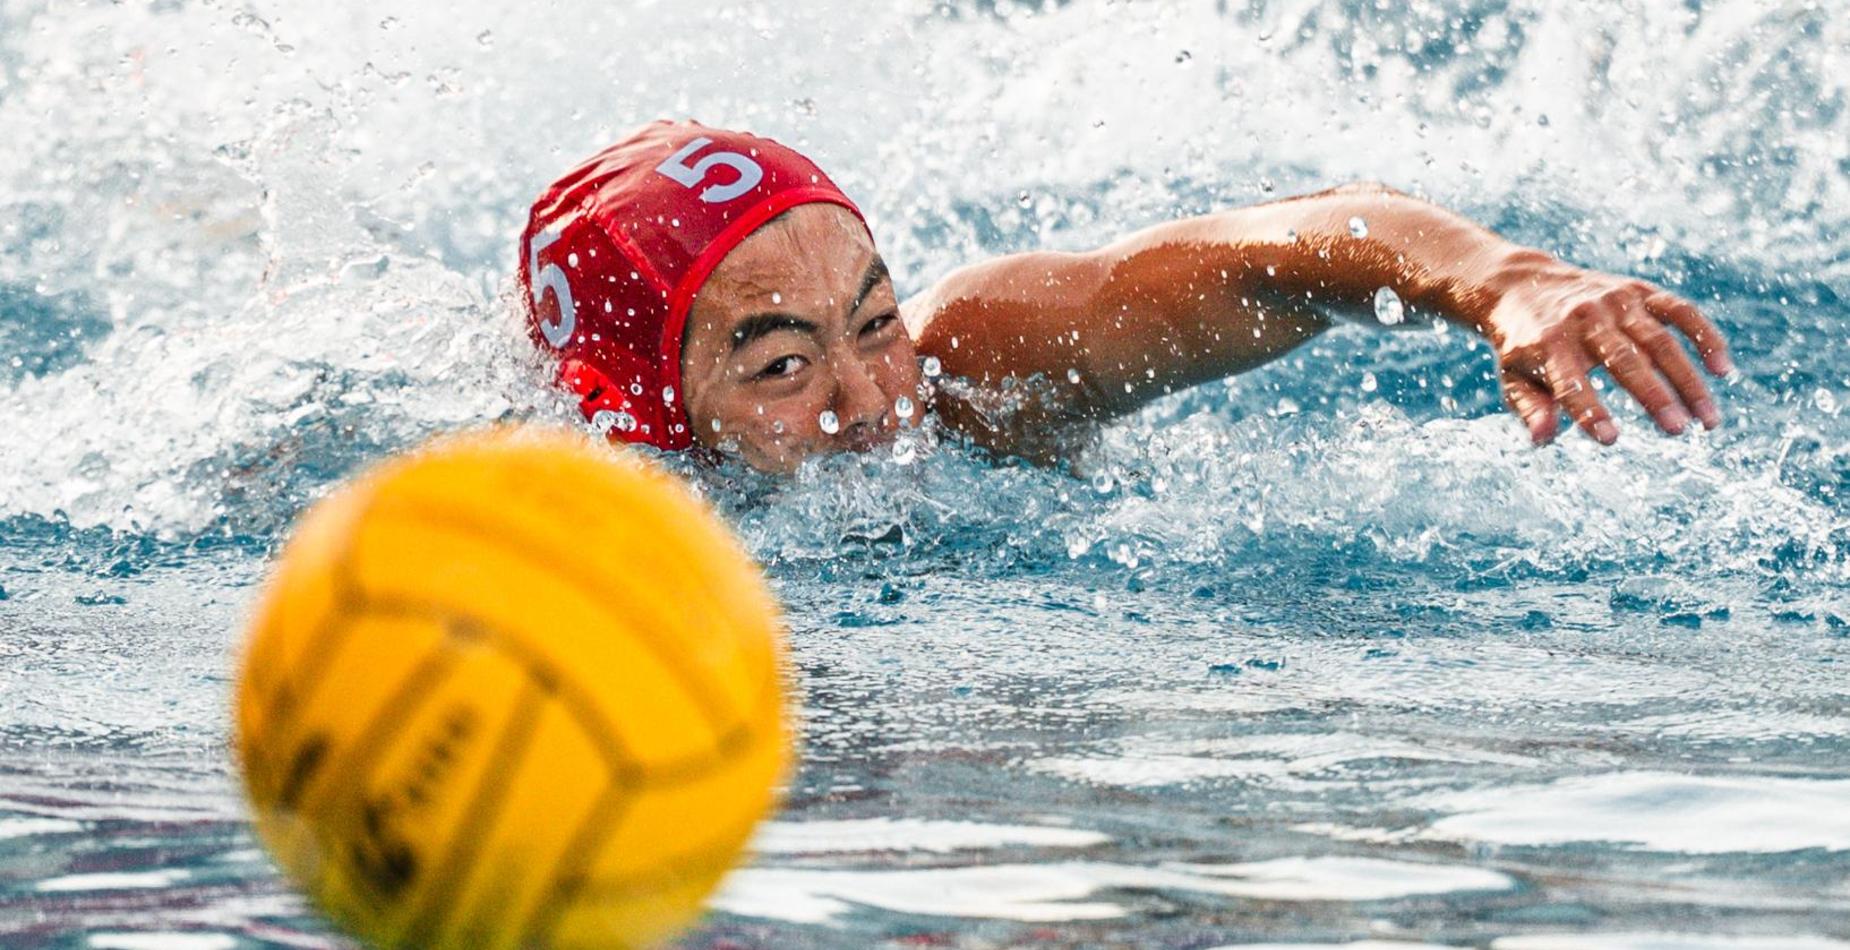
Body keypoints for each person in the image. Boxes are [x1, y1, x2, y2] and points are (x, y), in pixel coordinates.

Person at [520, 120, 1732, 474]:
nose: (871, 400)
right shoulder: (569, 522)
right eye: (781, 364)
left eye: (873, 322)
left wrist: (1511, 285)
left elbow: (1279, 248)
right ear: (646, 412)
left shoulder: (973, 371)